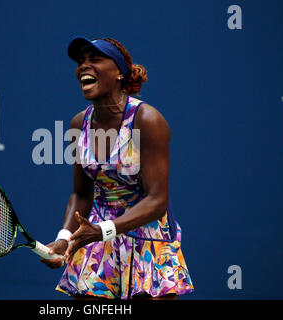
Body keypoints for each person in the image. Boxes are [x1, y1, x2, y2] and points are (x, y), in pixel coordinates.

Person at [41, 36, 194, 300]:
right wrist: (65, 237)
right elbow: (81, 194)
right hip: (96, 242)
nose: (84, 66)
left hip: (148, 245)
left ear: (119, 74)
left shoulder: (147, 120)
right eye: (81, 61)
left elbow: (157, 200)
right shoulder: (79, 124)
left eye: (95, 59)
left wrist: (103, 230)